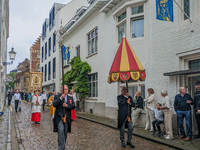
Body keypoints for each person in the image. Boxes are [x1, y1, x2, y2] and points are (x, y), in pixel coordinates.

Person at [53, 85, 75, 150]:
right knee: (61, 132)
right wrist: (60, 98)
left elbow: (73, 106)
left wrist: (67, 105)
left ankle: (63, 147)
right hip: (59, 118)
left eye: (66, 89)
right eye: (64, 89)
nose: (66, 90)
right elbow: (54, 104)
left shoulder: (70, 97)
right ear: (61, 90)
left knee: (65, 133)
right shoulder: (57, 97)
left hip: (67, 118)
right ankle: (61, 148)